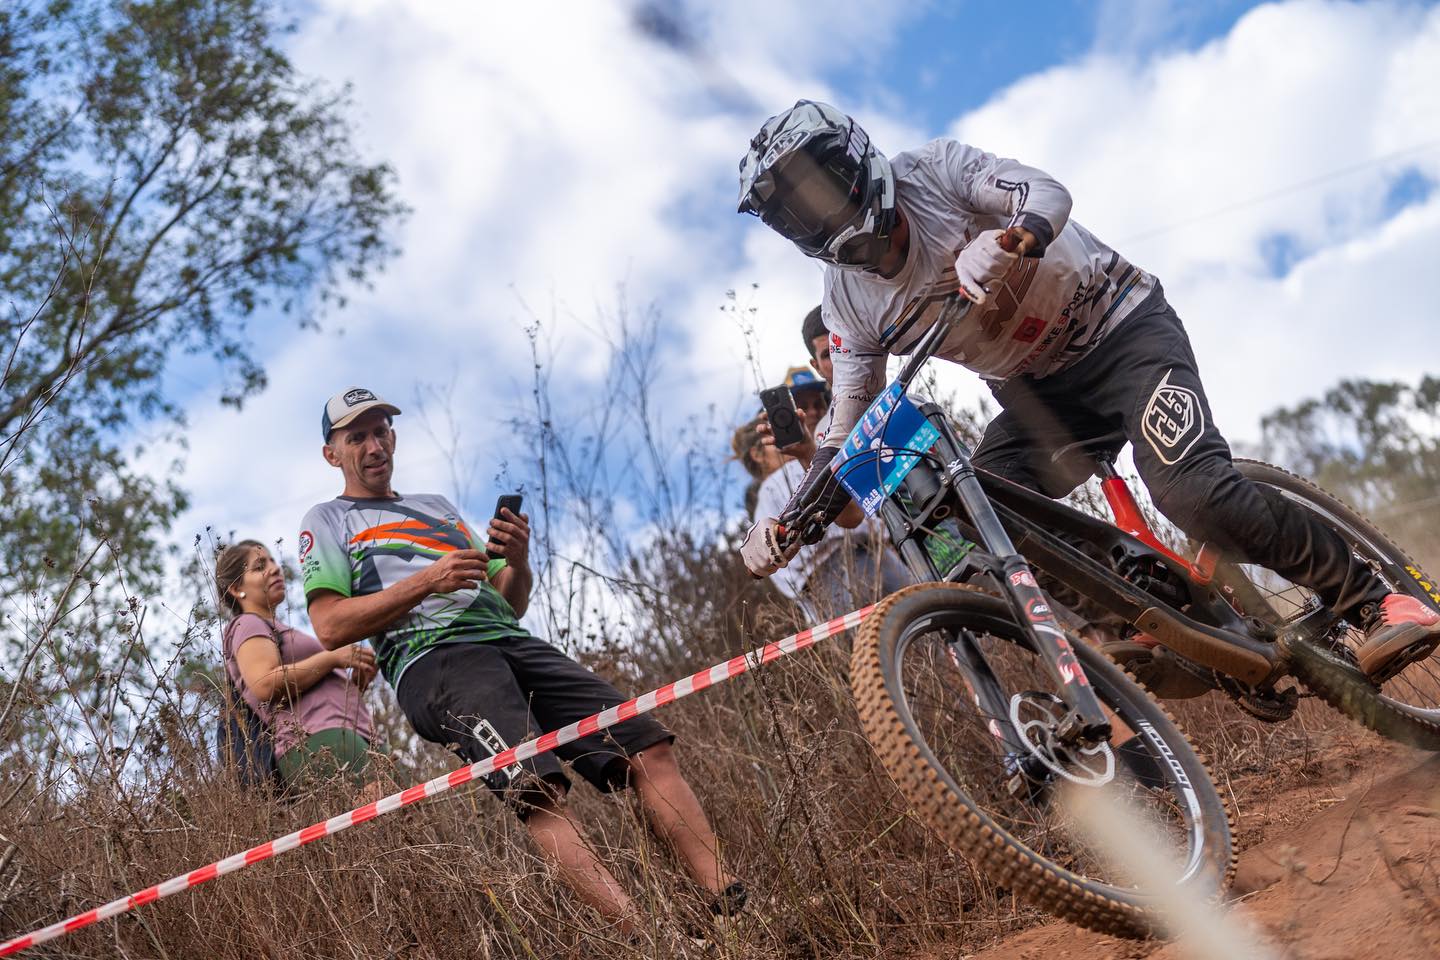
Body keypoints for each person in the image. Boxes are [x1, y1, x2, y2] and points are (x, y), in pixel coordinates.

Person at [734, 99, 1440, 680]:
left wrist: (1014, 237)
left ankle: (1375, 601)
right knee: (969, 519)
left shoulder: (935, 173)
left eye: (816, 187)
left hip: (1125, 332)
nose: (817, 212)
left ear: (852, 161)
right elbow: (847, 432)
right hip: (1043, 399)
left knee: (1191, 493)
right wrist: (789, 525)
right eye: (795, 211)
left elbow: (1046, 192)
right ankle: (1143, 617)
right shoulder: (847, 304)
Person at [298, 387, 744, 937]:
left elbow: (507, 599)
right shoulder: (327, 520)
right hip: (434, 661)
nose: (374, 444)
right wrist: (429, 579)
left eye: (381, 429)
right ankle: (648, 942)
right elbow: (329, 626)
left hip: (510, 640)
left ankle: (731, 905)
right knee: (536, 787)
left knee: (644, 745)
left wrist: (518, 559)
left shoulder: (435, 507)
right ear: (332, 453)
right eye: (356, 436)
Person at [216, 539, 377, 788]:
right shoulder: (247, 624)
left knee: (417, 814)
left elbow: (315, 694)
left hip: (355, 735)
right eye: (259, 567)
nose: (274, 568)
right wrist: (333, 658)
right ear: (237, 589)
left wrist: (355, 683)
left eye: (272, 561)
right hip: (320, 740)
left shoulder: (284, 630)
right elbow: (265, 684)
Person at [750, 367, 909, 619]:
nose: (812, 411)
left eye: (818, 403)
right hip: (825, 577)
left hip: (879, 553)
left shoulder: (852, 448)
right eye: (802, 405)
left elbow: (859, 514)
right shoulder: (774, 484)